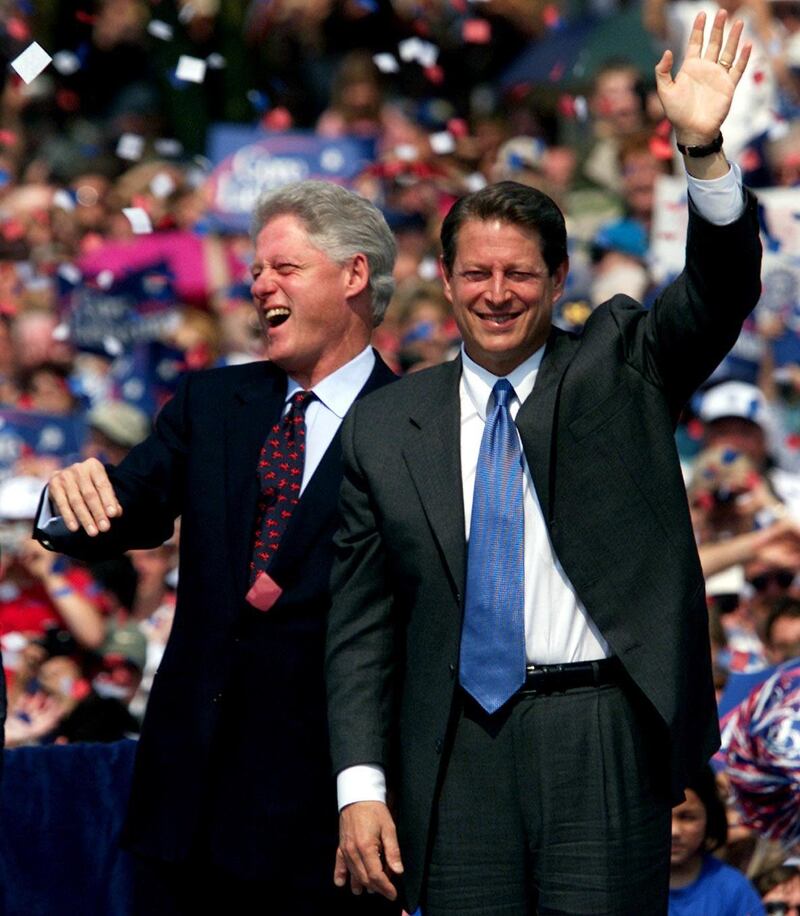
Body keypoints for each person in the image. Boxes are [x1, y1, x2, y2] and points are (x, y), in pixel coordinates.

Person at [326, 12, 762, 915]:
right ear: (442, 281)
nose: (497, 294)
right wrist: (360, 785)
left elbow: (721, 289)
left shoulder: (622, 363)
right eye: (477, 274)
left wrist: (703, 148)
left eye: (520, 274)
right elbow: (363, 627)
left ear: (559, 280)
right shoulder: (385, 426)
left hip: (600, 733)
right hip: (454, 752)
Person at [33, 180, 398, 915]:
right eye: (257, 271)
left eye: (284, 268)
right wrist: (63, 499)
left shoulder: (415, 425)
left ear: (354, 275)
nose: (259, 285)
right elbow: (123, 508)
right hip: (186, 807)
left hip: (319, 819)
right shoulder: (213, 403)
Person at [669, 767, 765, 915]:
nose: (674, 831)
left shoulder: (733, 890)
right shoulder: (625, 887)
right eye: (663, 819)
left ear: (709, 817)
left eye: (687, 817)